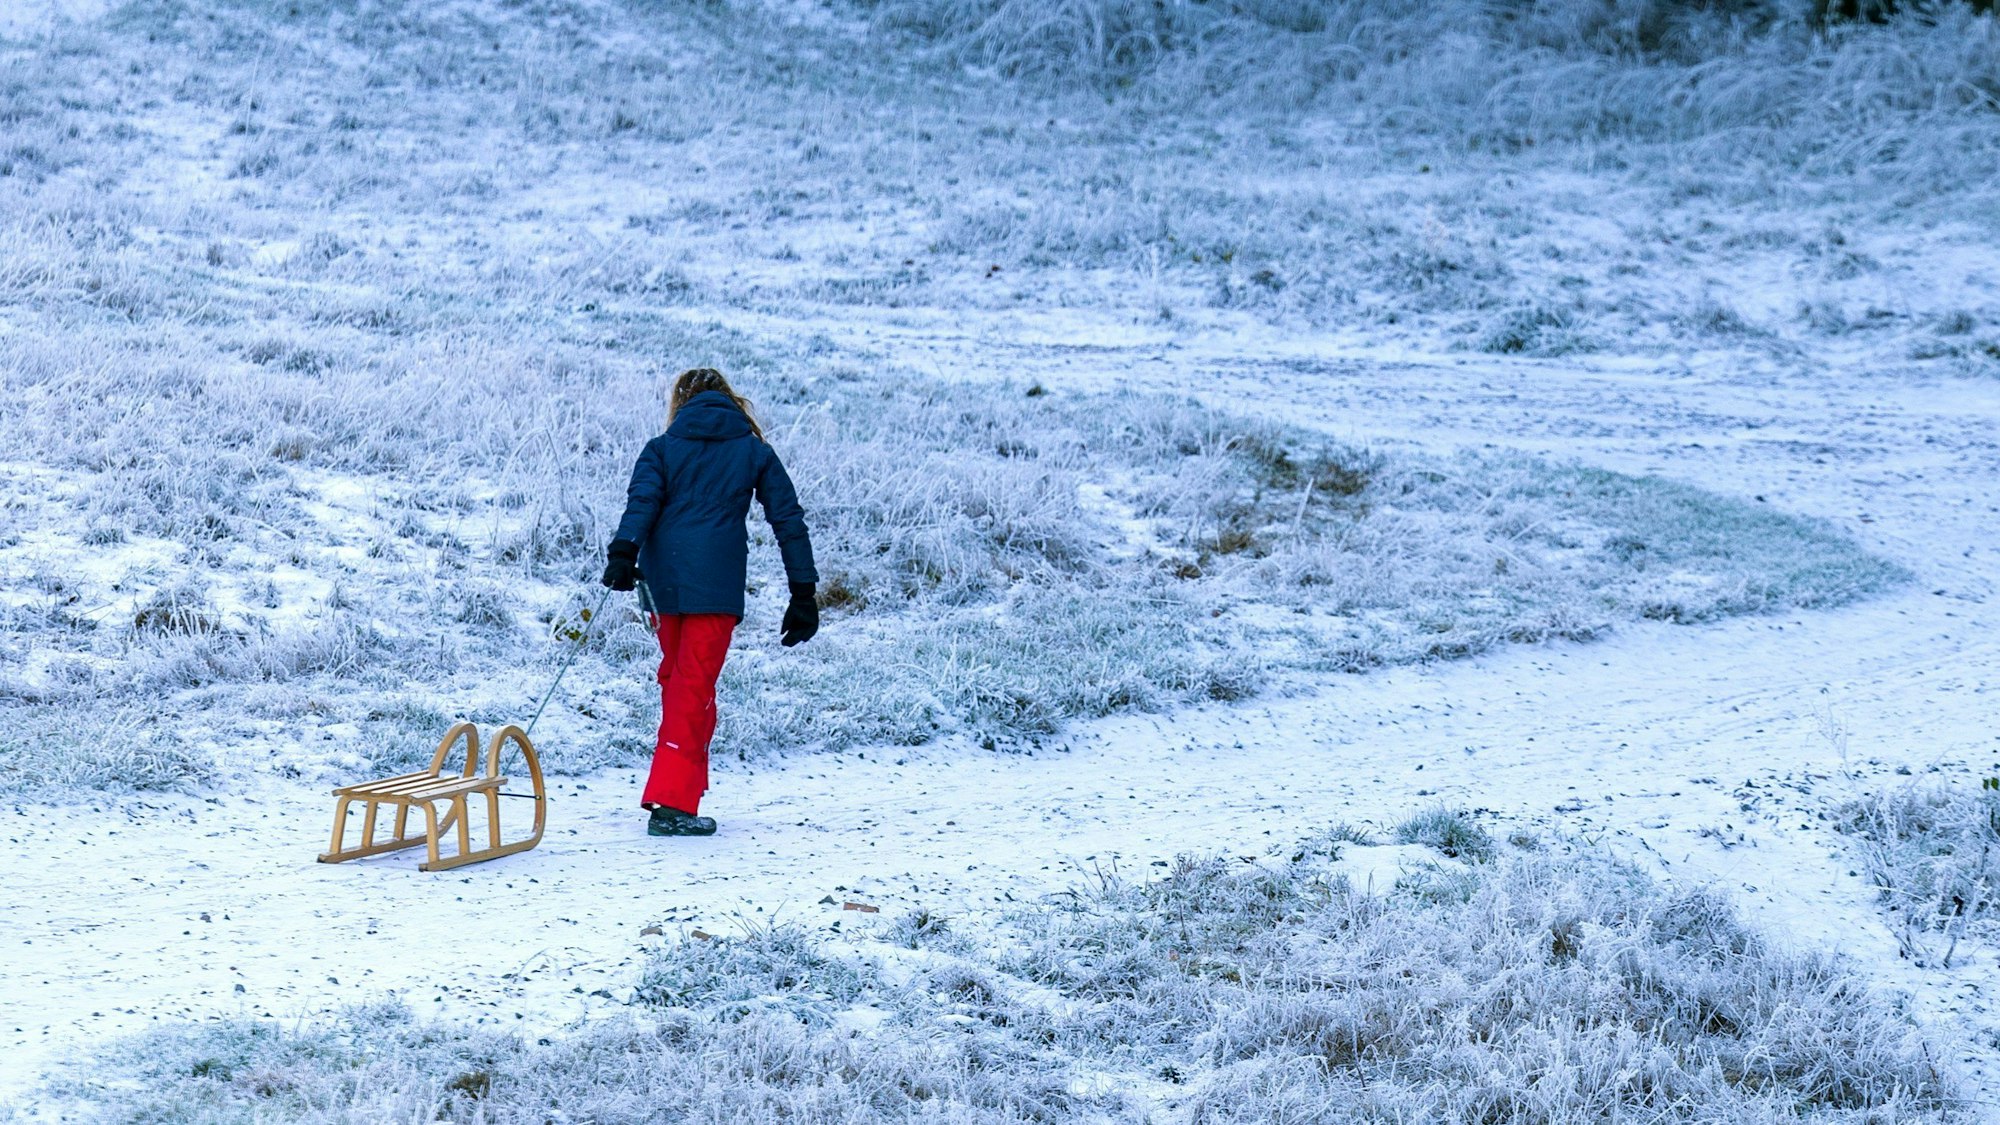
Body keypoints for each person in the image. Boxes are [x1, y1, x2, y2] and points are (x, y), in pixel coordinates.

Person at [601, 367, 819, 837]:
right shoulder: (753, 451)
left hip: (664, 586)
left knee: (682, 683)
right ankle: (672, 803)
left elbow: (640, 503)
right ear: (729, 400)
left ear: (680, 402)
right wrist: (803, 592)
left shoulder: (661, 449)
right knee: (691, 687)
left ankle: (683, 794)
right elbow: (789, 520)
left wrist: (624, 552)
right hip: (715, 587)